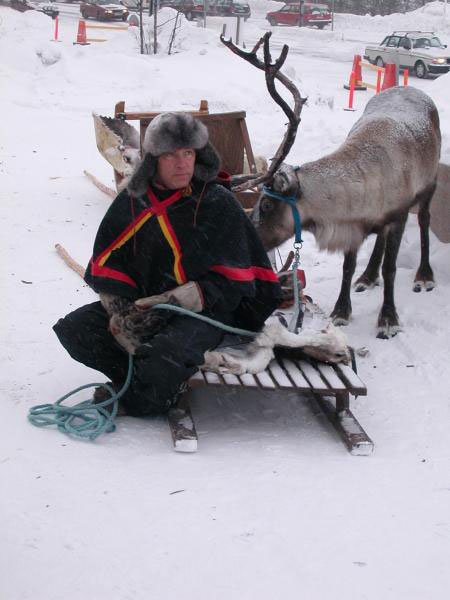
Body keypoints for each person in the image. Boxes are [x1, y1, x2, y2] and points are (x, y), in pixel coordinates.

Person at [53, 112, 282, 417]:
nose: (182, 163)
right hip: (144, 307)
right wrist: (122, 312)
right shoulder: (134, 202)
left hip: (204, 312)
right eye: (171, 155)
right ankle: (147, 380)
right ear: (153, 160)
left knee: (167, 353)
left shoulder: (216, 202)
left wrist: (183, 298)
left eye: (188, 153)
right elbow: (110, 265)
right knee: (74, 329)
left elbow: (241, 279)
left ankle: (145, 397)